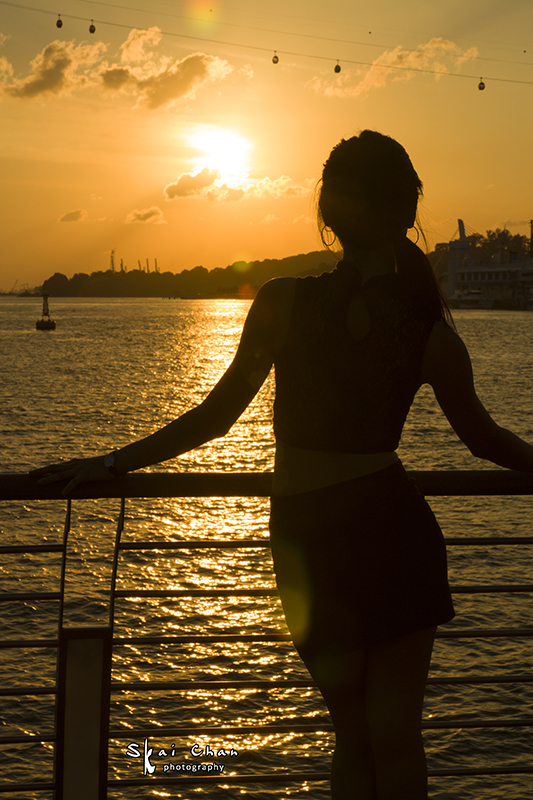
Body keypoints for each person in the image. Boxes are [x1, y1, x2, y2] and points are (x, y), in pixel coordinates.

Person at [31, 130, 533, 800]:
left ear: (325, 211)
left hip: (309, 538)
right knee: (394, 736)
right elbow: (487, 441)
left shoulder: (283, 302)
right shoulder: (431, 335)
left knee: (354, 736)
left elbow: (215, 417)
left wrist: (113, 461)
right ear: (407, 214)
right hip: (393, 533)